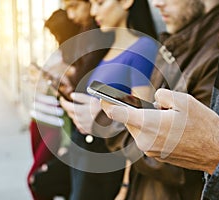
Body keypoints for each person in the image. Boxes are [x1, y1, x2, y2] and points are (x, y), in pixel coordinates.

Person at [101, 0, 219, 199]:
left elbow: (183, 161)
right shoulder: (178, 41)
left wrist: (109, 124)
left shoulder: (218, 55)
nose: (157, 4)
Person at [60, 0, 158, 199]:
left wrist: (125, 186)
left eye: (100, 3)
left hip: (109, 164)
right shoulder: (106, 47)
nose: (94, 11)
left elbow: (142, 126)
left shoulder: (143, 48)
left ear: (126, 2)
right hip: (86, 156)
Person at [27, 9, 81, 200]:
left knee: (36, 179)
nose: (54, 37)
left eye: (56, 33)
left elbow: (68, 88)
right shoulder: (59, 50)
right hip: (38, 117)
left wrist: (54, 78)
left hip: (55, 123)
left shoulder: (75, 53)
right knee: (48, 177)